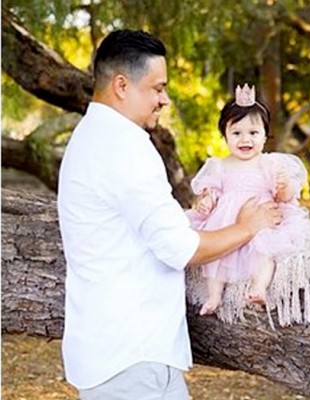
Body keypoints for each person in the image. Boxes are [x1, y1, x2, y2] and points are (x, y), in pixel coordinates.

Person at [57, 30, 283, 399]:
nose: (165, 99)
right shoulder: (124, 148)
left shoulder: (91, 137)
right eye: (157, 88)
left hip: (115, 353)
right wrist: (247, 226)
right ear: (121, 85)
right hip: (132, 361)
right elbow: (182, 249)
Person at [187, 84, 310, 316]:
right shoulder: (220, 165)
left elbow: (284, 197)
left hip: (261, 219)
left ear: (265, 135)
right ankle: (214, 295)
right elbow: (211, 190)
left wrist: (283, 187)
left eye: (253, 133)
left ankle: (259, 287)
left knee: (264, 249)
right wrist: (207, 200)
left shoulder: (270, 163)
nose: (245, 139)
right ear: (224, 135)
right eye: (236, 133)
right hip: (227, 224)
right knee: (216, 257)